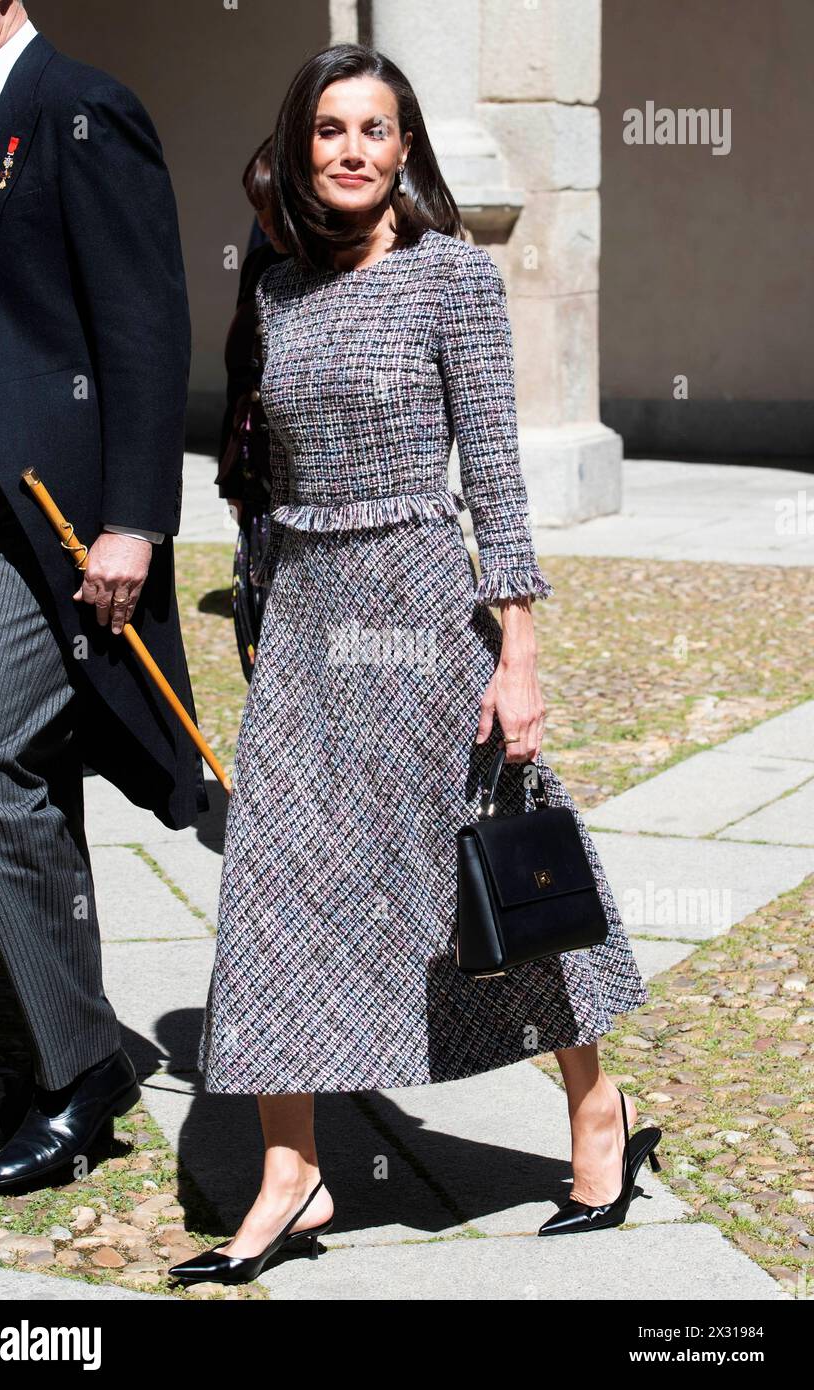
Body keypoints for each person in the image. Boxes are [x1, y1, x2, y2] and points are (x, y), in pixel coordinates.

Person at [174, 43, 656, 1287]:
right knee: (273, 891)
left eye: (375, 130)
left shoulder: (452, 278)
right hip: (308, 624)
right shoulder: (276, 289)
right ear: (298, 145)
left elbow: (493, 476)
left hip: (426, 607)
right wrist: (262, 610)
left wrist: (521, 654)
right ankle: (297, 1171)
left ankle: (592, 1110)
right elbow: (257, 472)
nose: (350, 149)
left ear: (405, 150)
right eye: (329, 128)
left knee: (489, 877)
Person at [0, 1, 206, 1192]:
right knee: (32, 778)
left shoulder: (82, 107)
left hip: (55, 526)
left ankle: (89, 1067)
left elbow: (147, 325)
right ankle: (66, 1054)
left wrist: (136, 521)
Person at [216, 136, 290, 681]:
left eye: (273, 212)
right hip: (257, 483)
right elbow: (238, 379)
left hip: (307, 497)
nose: (262, 224)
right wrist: (235, 484)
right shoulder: (261, 264)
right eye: (256, 212)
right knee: (261, 655)